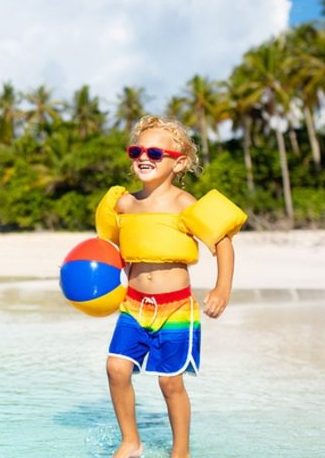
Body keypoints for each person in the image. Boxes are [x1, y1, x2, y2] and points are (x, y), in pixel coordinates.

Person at [95, 115, 247, 458]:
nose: (143, 157)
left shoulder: (184, 203)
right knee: (116, 368)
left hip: (175, 307)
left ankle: (181, 451)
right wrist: (82, 272)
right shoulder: (123, 204)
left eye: (154, 152)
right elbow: (111, 250)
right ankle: (131, 441)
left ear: (178, 162)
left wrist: (223, 288)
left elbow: (222, 243)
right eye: (136, 150)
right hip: (134, 305)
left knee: (170, 382)